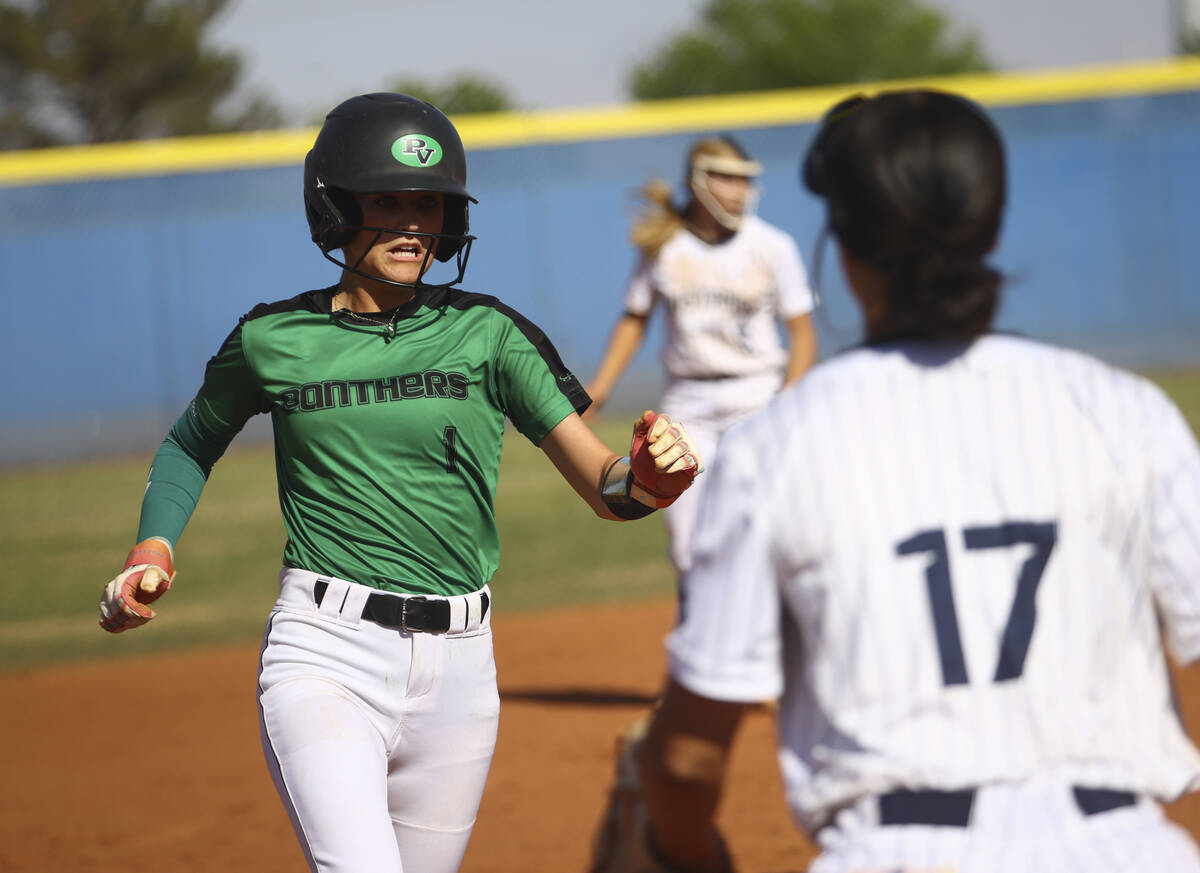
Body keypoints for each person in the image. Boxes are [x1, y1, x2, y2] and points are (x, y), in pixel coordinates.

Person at [591, 89, 1200, 873]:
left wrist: (680, 850)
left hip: (899, 851)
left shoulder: (778, 448)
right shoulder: (1130, 412)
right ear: (991, 223)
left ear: (840, 243)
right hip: (1128, 849)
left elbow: (685, 763)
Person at [96, 92, 703, 873]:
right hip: (326, 651)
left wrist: (651, 479)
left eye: (429, 204)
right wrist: (154, 543)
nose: (413, 223)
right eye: (387, 201)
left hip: (462, 668)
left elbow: (608, 486)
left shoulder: (488, 334)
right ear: (334, 207)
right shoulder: (273, 339)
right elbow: (189, 444)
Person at [585, 135, 818, 577]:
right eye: (725, 177)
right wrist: (602, 386)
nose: (737, 189)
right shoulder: (663, 247)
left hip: (759, 398)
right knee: (690, 544)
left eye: (744, 180)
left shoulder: (772, 245)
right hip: (689, 402)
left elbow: (802, 333)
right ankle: (702, 627)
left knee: (773, 533)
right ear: (696, 181)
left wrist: (789, 398)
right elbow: (635, 318)